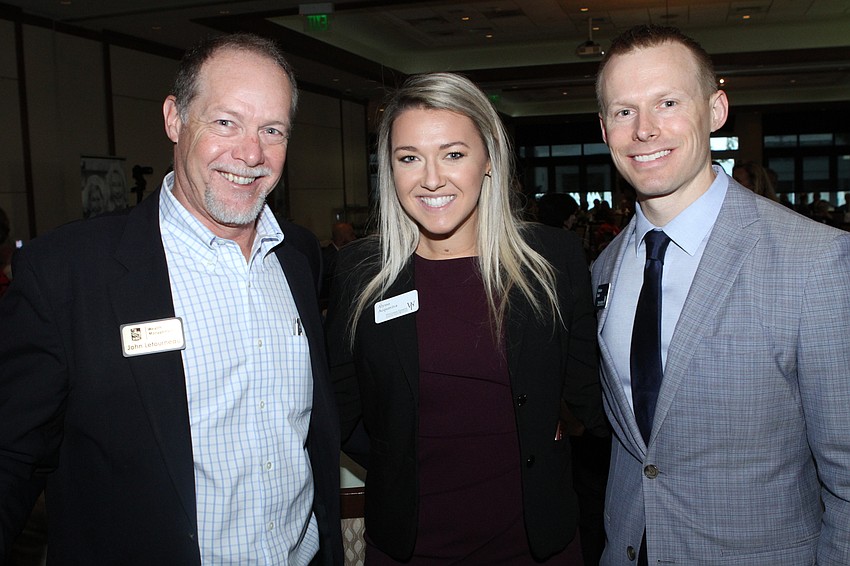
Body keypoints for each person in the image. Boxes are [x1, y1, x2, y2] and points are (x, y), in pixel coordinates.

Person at [0, 33, 342, 565]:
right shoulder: (69, 273)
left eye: (272, 130)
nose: (251, 153)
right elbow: (11, 455)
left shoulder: (298, 257)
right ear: (174, 119)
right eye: (226, 122)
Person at [592, 24, 850, 565]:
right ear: (604, 127)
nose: (644, 130)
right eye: (623, 111)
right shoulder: (602, 269)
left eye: (667, 103)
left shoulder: (814, 261)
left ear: (716, 110)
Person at [325, 72, 607, 564]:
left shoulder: (553, 259)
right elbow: (341, 412)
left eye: (453, 154)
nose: (432, 178)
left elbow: (592, 399)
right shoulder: (359, 271)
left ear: (489, 159)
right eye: (409, 158)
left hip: (536, 545)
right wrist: (398, 454)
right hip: (410, 547)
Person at [319, 220, 356, 310]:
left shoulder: (343, 254)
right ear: (341, 239)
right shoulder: (329, 258)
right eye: (351, 235)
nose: (355, 238)